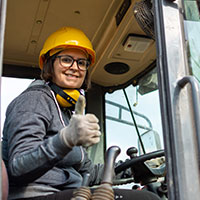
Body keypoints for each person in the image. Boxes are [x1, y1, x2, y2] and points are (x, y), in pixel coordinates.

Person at [2, 27, 161, 200]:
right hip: (37, 195)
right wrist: (64, 140)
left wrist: (131, 168)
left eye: (81, 63)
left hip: (71, 193)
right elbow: (19, 167)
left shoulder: (68, 113)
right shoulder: (34, 100)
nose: (74, 67)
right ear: (50, 64)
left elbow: (88, 172)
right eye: (66, 60)